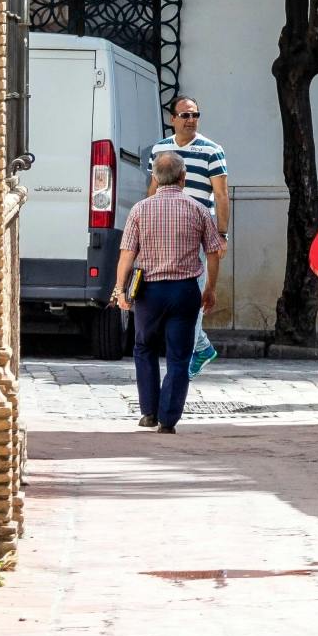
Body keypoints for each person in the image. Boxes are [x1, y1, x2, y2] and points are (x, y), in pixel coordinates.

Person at [112, 145, 222, 434]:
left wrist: (120, 290)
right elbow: (213, 253)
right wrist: (210, 288)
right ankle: (168, 419)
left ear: (155, 178)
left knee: (144, 347)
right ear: (183, 177)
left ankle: (149, 412)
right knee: (179, 356)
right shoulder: (198, 209)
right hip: (185, 291)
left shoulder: (139, 210)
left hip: (149, 292)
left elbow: (127, 254)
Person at [164, 94, 229, 377]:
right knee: (171, 297)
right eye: (185, 115)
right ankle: (201, 347)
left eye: (195, 115)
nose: (191, 120)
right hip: (167, 234)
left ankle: (183, 365)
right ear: (172, 119)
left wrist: (222, 234)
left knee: (194, 295)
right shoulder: (160, 150)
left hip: (200, 233)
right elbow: (152, 189)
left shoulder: (212, 151)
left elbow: (221, 194)